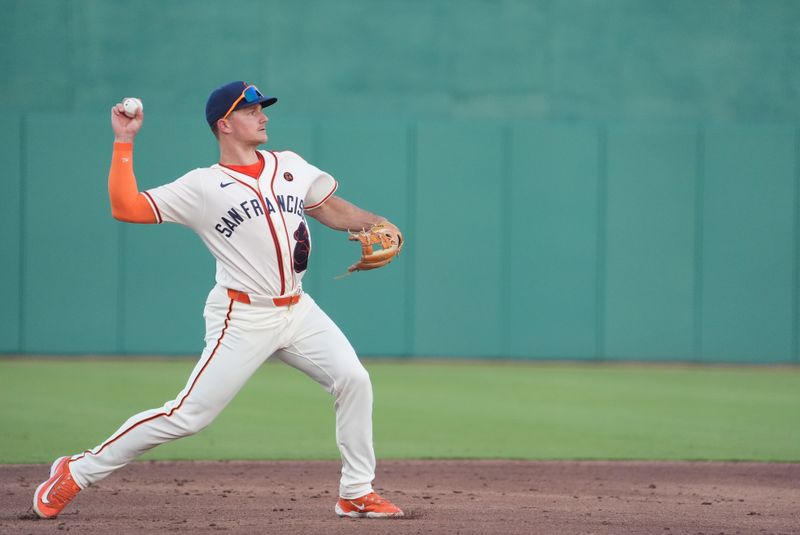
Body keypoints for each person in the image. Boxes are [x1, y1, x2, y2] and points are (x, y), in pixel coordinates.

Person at [32, 81, 405, 520]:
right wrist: (124, 141)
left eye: (262, 108)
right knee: (189, 416)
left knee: (354, 380)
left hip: (299, 309)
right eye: (251, 110)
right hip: (242, 315)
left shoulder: (289, 165)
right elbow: (127, 206)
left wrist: (375, 222)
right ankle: (79, 470)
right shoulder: (203, 187)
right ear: (224, 124)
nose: (263, 115)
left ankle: (356, 491)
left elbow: (327, 207)